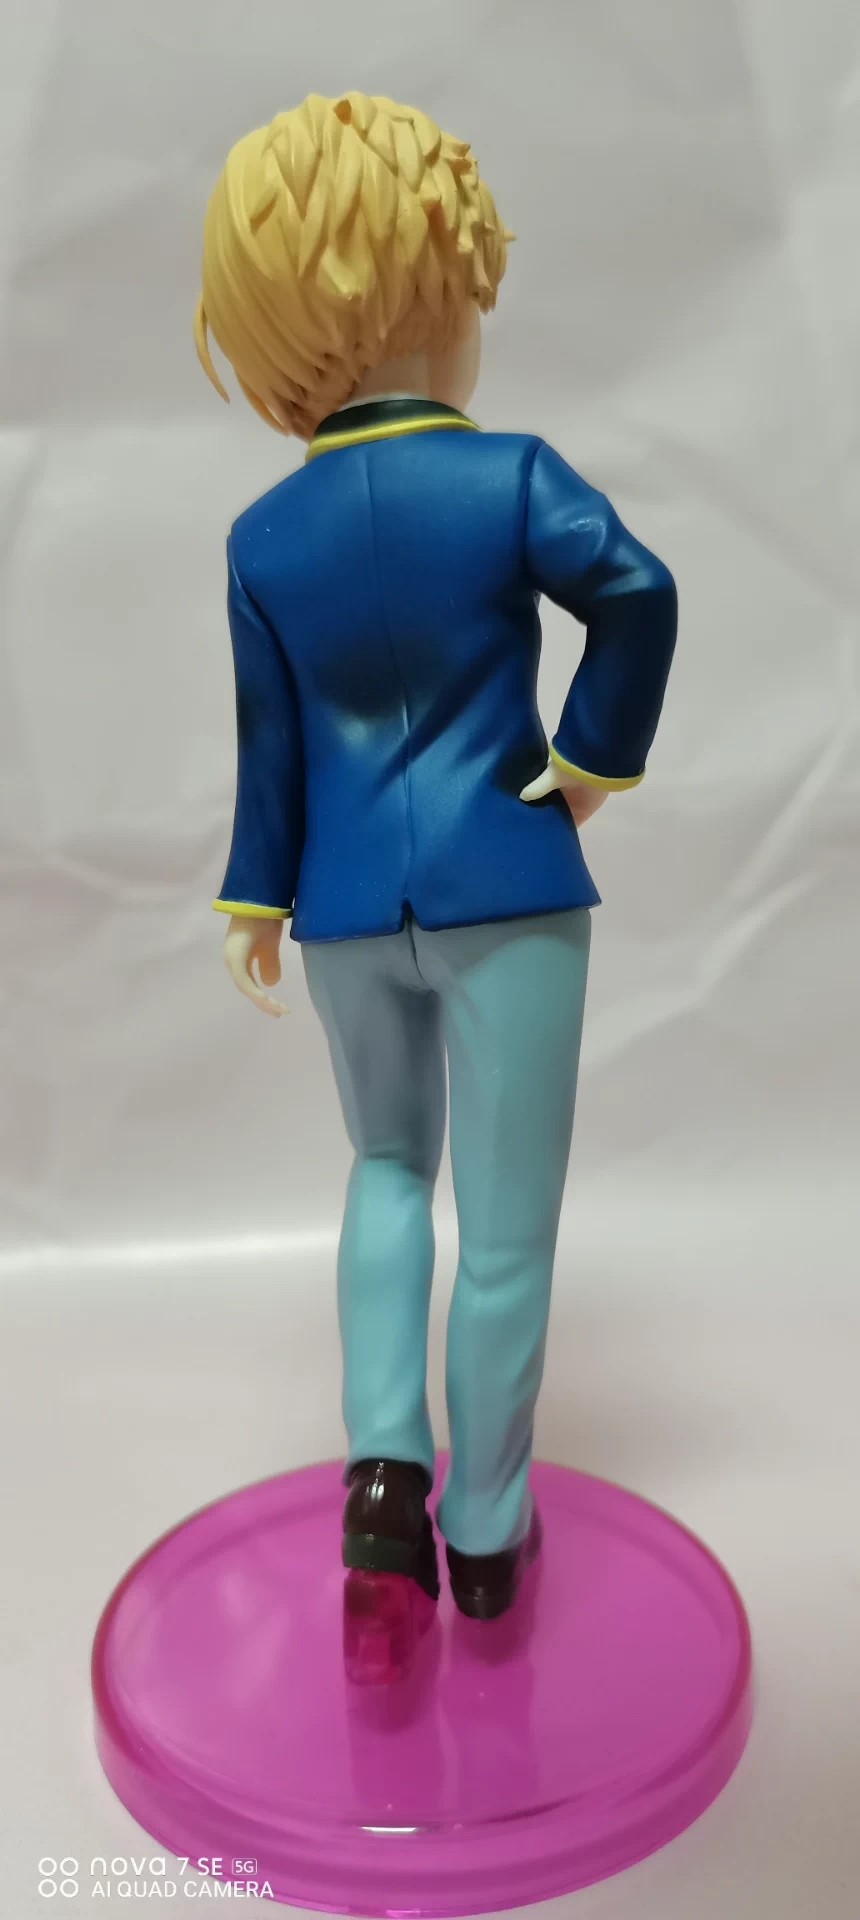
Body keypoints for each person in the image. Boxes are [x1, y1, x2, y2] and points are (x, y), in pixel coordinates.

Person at [196, 91, 677, 1657]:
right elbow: (637, 592)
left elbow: (272, 745)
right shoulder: (510, 476)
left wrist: (256, 897)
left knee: (388, 1171)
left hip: (345, 909)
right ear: (434, 298)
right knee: (510, 1225)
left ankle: (384, 1475)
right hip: (508, 887)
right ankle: (484, 1530)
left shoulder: (265, 537)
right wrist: (590, 760)